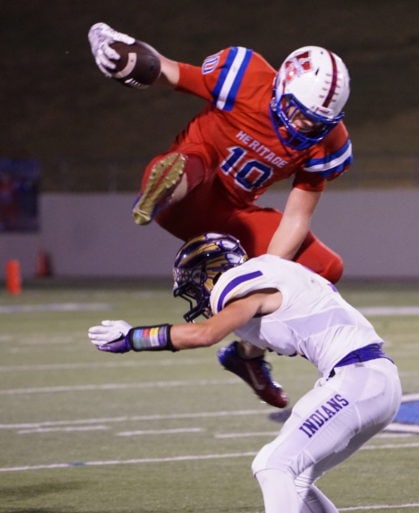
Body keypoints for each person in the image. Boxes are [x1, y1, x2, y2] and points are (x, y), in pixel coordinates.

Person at [87, 22, 354, 407]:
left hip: (234, 214)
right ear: (280, 88)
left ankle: (246, 356)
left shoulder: (327, 140)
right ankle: (158, 192)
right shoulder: (246, 77)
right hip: (187, 199)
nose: (304, 127)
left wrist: (266, 276)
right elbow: (165, 70)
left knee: (325, 268)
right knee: (192, 162)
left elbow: (297, 218)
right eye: (299, 113)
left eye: (316, 122)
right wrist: (115, 46)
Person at [87, 233, 402, 513]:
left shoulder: (247, 290)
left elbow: (204, 334)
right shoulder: (274, 272)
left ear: (211, 275)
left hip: (357, 378)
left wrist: (134, 338)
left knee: (272, 464)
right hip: (374, 381)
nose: (198, 295)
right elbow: (295, 220)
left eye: (197, 284)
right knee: (296, 479)